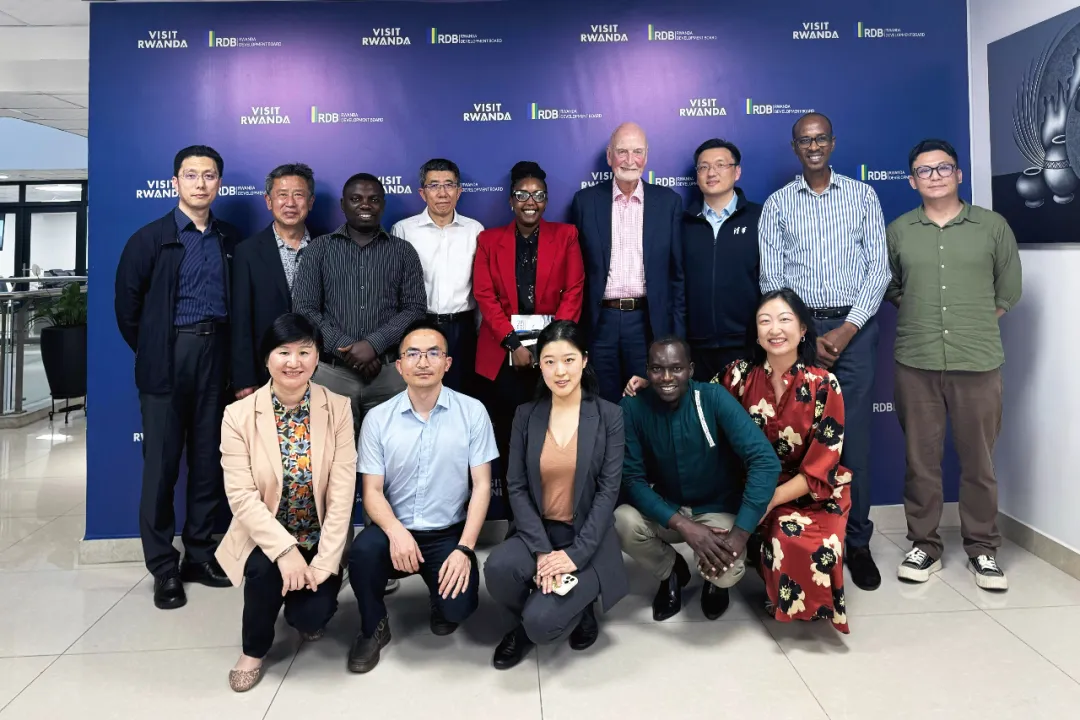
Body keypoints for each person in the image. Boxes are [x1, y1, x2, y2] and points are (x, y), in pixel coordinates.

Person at [625, 290, 854, 633]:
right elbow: (692, 394)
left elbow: (822, 465)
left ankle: (767, 592)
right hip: (750, 487)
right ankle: (684, 572)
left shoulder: (824, 384)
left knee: (792, 538)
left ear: (803, 329)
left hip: (804, 489)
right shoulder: (738, 375)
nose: (775, 329)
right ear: (756, 333)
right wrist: (656, 383)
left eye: (784, 320)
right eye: (765, 321)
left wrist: (766, 501)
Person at [758, 112, 889, 591]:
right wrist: (805, 335)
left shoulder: (862, 196)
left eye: (820, 139)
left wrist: (847, 330)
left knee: (853, 441)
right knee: (803, 441)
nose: (813, 147)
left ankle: (858, 542)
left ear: (832, 143)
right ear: (794, 147)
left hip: (856, 329)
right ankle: (811, 538)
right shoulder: (777, 205)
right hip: (800, 333)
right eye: (804, 140)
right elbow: (772, 280)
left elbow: (879, 270)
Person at [887, 139, 1022, 591]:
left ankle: (982, 549)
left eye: (944, 168)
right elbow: (891, 286)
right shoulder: (899, 230)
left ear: (959, 174)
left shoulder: (992, 226)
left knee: (979, 462)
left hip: (977, 361)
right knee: (920, 461)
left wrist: (973, 322)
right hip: (917, 360)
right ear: (912, 181)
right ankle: (924, 545)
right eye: (924, 171)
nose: (935, 176)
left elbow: (1008, 290)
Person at [114, 144, 241, 609]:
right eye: (191, 175)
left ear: (219, 183)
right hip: (168, 358)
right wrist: (156, 349)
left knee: (208, 462)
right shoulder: (150, 238)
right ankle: (164, 567)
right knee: (162, 468)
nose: (200, 183)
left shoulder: (229, 238)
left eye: (209, 175)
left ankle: (200, 556)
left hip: (217, 356)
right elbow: (127, 309)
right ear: (175, 183)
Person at [347, 321, 498, 674]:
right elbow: (371, 492)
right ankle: (373, 625)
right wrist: (396, 532)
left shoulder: (472, 411)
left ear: (447, 363)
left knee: (457, 610)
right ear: (399, 366)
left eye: (433, 353)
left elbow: (482, 486)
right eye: (413, 354)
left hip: (446, 533)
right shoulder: (378, 418)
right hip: (393, 530)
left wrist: (465, 549)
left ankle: (439, 595)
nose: (423, 362)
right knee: (364, 552)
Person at [216, 314, 356, 692]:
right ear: (267, 359)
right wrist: (285, 551)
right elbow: (242, 497)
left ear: (317, 358)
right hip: (265, 536)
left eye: (304, 352)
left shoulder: (338, 407)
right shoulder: (238, 415)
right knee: (263, 574)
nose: (294, 362)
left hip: (319, 536)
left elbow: (342, 494)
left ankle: (307, 603)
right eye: (283, 352)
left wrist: (325, 561)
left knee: (310, 617)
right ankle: (253, 650)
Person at [484, 320, 628, 669]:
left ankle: (578, 608)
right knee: (498, 568)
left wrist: (574, 556)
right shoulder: (526, 415)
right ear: (539, 364)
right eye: (549, 361)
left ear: (584, 360)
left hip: (587, 537)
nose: (560, 371)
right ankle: (525, 621)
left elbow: (608, 493)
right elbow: (516, 486)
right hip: (539, 532)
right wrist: (542, 552)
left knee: (542, 624)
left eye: (568, 360)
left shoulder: (609, 416)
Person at [616, 338, 780, 622]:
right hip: (668, 507)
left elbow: (765, 461)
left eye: (676, 368)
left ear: (690, 370)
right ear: (647, 370)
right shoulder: (632, 407)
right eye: (657, 369)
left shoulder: (713, 398)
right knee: (621, 522)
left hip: (716, 508)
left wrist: (740, 534)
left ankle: (714, 582)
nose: (667, 377)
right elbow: (632, 480)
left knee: (726, 570)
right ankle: (671, 572)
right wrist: (684, 525)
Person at [473, 161, 585, 499]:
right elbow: (485, 296)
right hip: (502, 354)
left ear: (546, 200)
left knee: (552, 438)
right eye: (522, 195)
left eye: (538, 195)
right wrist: (514, 345)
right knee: (510, 439)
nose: (530, 202)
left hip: (551, 357)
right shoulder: (489, 240)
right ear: (511, 201)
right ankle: (515, 516)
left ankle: (552, 510)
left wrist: (548, 350)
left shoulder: (566, 236)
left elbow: (574, 291)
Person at [292, 172, 427, 440]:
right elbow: (305, 309)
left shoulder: (403, 251)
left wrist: (374, 345)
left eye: (373, 199)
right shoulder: (318, 250)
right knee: (332, 457)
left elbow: (414, 308)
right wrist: (348, 350)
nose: (365, 204)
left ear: (383, 205)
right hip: (333, 376)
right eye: (356, 199)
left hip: (390, 374)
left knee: (396, 456)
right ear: (343, 204)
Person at [571, 122, 686, 404]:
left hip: (647, 322)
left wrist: (677, 338)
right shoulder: (585, 202)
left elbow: (677, 277)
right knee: (601, 402)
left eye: (637, 152)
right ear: (609, 156)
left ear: (646, 156)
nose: (630, 160)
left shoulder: (668, 202)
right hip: (601, 322)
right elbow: (576, 271)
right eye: (622, 151)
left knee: (647, 404)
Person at [391, 158, 484, 394]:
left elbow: (482, 285)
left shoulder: (474, 230)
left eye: (449, 185)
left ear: (459, 191)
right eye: (434, 185)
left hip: (462, 329)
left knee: (462, 395)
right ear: (422, 193)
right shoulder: (403, 230)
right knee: (421, 394)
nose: (442, 193)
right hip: (419, 326)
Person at [232, 163, 317, 397]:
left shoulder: (326, 247)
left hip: (320, 372)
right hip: (265, 372)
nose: (290, 203)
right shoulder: (247, 252)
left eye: (298, 195)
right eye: (282, 195)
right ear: (268, 201)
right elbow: (241, 320)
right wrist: (244, 378)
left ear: (310, 201)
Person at [683, 138, 762, 381]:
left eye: (720, 165)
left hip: (747, 344)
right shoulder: (682, 223)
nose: (711, 173)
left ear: (737, 172)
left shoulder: (760, 218)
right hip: (695, 347)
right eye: (704, 167)